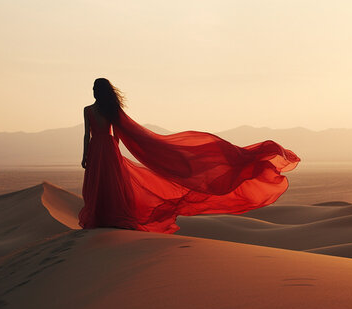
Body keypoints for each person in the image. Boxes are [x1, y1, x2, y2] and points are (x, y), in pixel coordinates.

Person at [79, 78, 299, 233]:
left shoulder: (95, 110)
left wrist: (90, 154)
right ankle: (107, 218)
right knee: (106, 183)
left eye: (94, 89)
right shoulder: (103, 110)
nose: (93, 92)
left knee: (104, 183)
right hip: (106, 149)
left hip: (102, 149)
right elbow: (106, 136)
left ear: (98, 91)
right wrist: (102, 151)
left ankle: (105, 218)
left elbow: (96, 136)